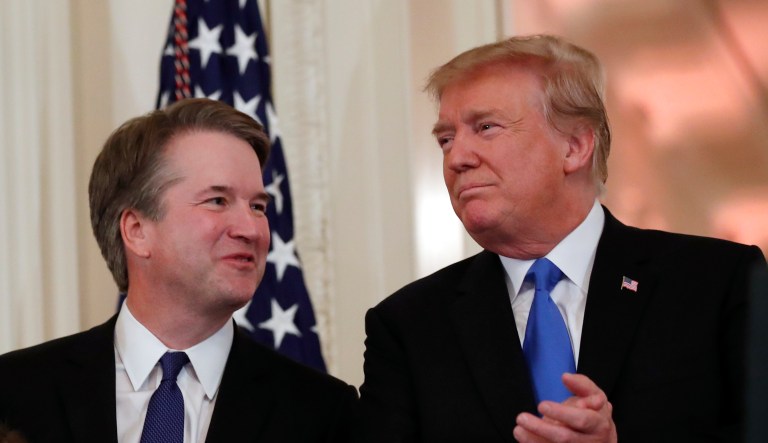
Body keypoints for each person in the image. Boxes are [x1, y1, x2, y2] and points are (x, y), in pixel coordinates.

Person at [358, 35, 766, 442]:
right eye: (446, 139)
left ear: (574, 147)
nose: (457, 158)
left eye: (486, 127)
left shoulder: (717, 283)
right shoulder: (409, 327)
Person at [0, 98, 357, 442]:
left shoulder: (323, 413)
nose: (251, 229)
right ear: (137, 230)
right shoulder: (13, 392)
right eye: (217, 201)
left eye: (258, 206)